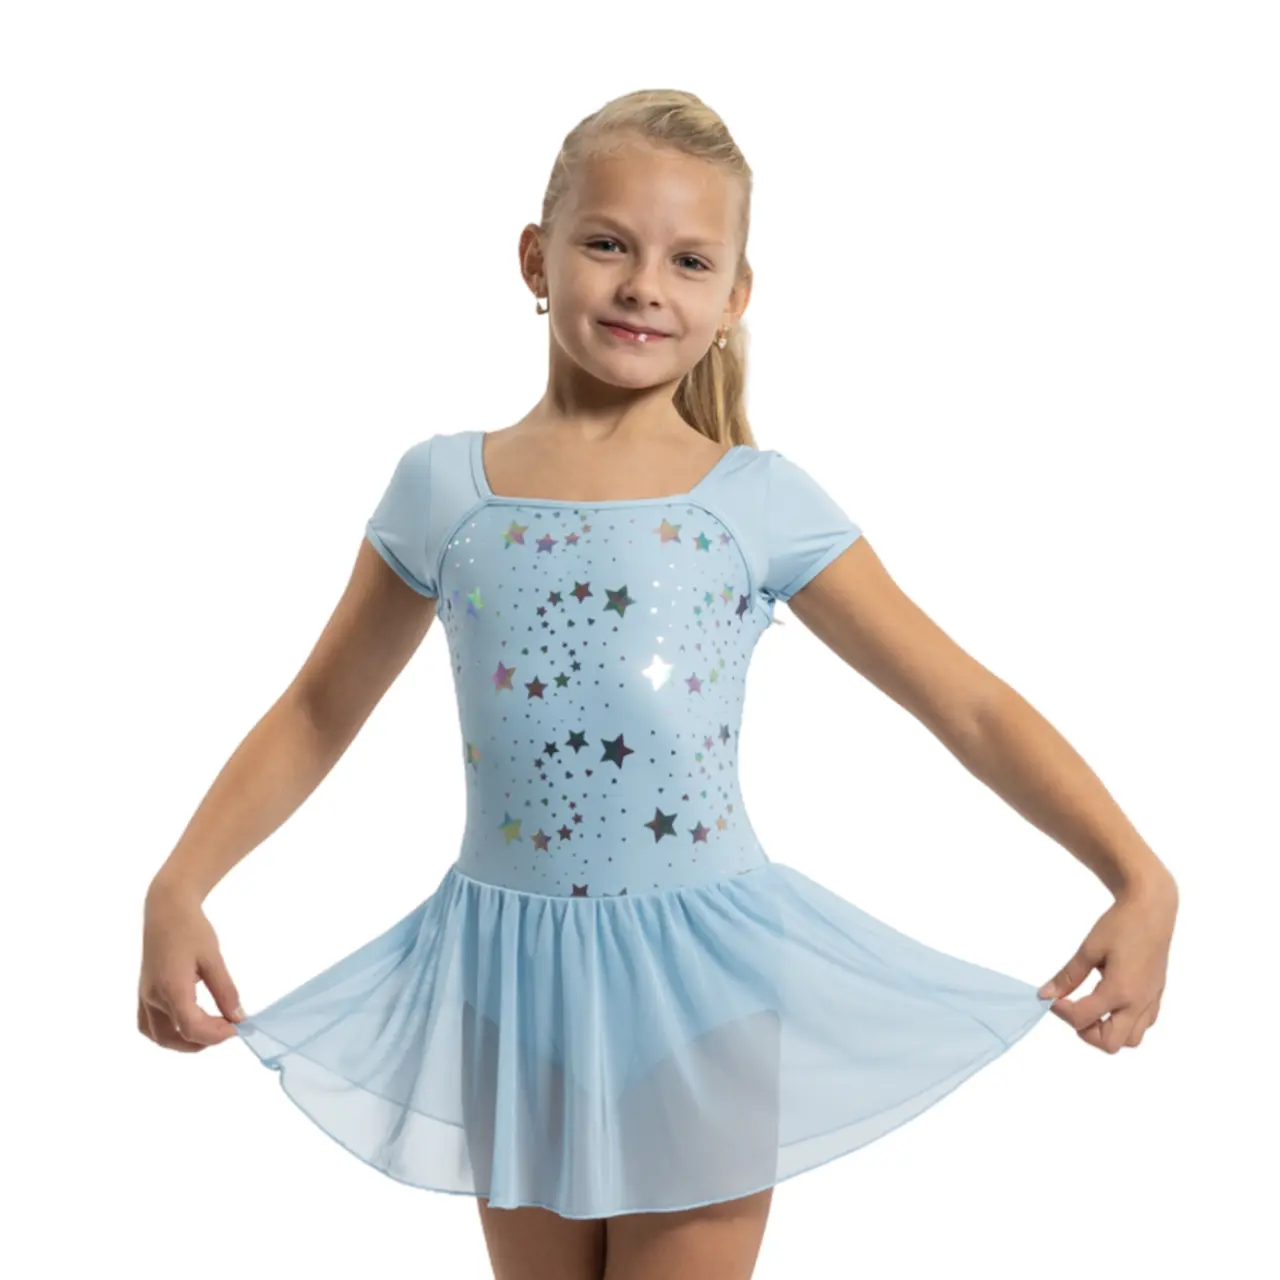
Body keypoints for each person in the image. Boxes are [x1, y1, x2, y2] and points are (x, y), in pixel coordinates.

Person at [137, 88, 1179, 1280]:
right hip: (509, 979)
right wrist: (181, 881)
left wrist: (1135, 874)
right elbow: (317, 710)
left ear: (734, 298)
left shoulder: (753, 502)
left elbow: (967, 702)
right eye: (607, 243)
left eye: (688, 260)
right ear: (534, 258)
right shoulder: (442, 490)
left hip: (700, 989)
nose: (643, 285)